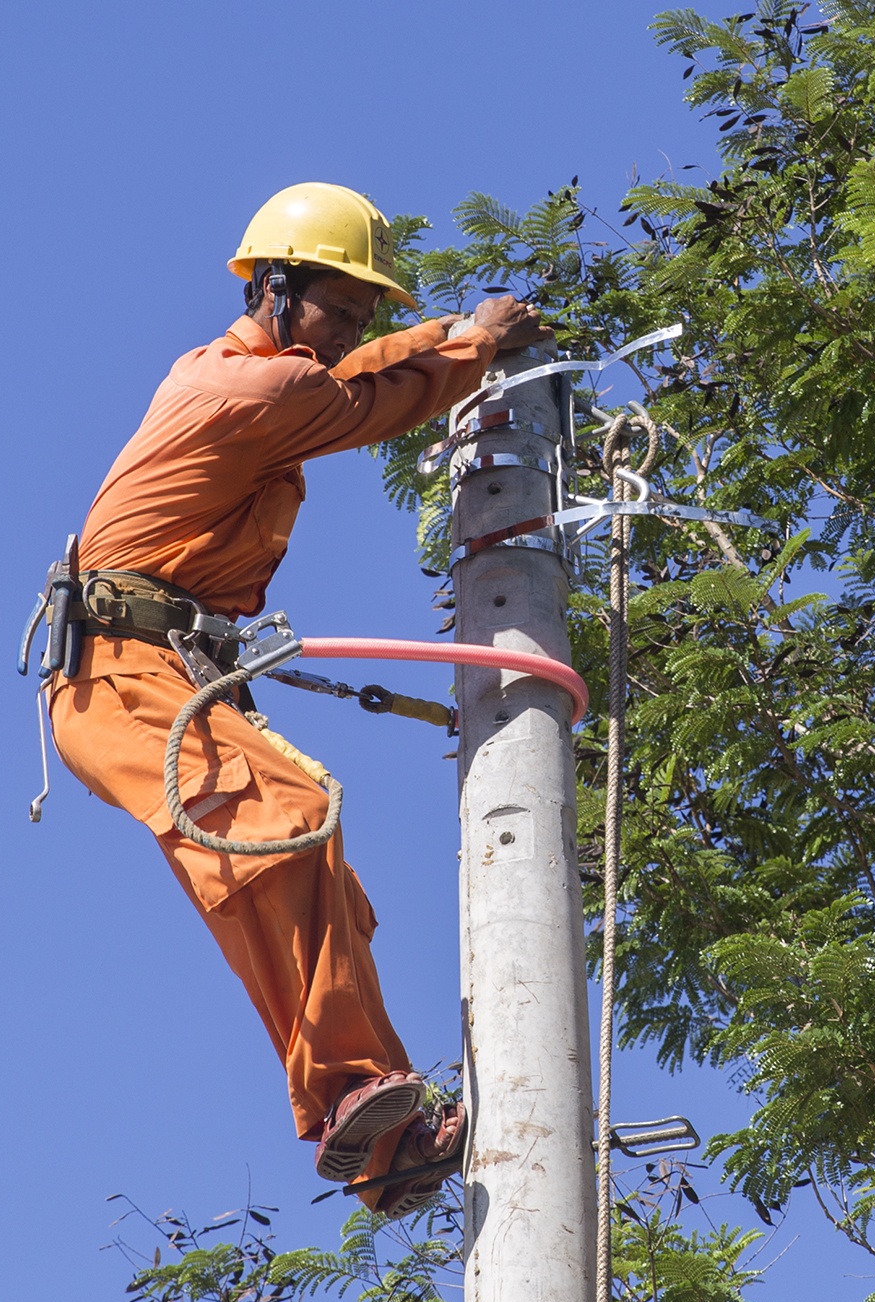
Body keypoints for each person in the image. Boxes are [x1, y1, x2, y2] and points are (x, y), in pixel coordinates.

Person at [45, 182, 548, 1216]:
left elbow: (347, 375)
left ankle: (384, 1141)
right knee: (288, 822)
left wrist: (440, 334)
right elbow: (367, 403)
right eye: (336, 308)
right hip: (118, 673)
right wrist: (474, 346)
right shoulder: (247, 390)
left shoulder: (264, 374)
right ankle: (350, 1092)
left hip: (158, 670)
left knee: (309, 866)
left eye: (361, 316)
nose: (346, 333)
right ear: (274, 288)